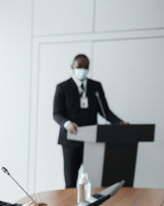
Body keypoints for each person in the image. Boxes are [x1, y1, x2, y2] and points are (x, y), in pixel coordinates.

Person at [53, 53, 126, 188]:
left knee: (93, 181)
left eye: (86, 66)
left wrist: (119, 123)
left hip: (92, 140)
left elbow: (105, 111)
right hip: (71, 140)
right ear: (72, 66)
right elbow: (57, 113)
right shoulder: (62, 87)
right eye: (79, 66)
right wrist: (67, 123)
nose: (83, 69)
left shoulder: (96, 87)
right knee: (70, 182)